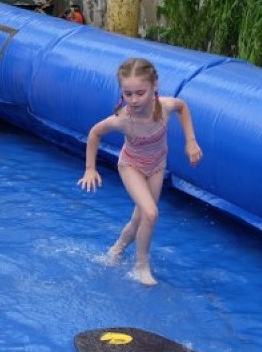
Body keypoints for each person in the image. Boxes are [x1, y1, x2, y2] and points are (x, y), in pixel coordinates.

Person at [77, 58, 203, 286]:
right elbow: (95, 133)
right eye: (128, 94)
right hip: (131, 166)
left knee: (140, 219)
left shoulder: (164, 107)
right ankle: (140, 265)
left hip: (156, 165)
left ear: (154, 85)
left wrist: (191, 141)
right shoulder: (122, 119)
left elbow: (182, 107)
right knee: (151, 214)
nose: (134, 100)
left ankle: (116, 250)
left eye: (140, 93)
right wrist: (90, 168)